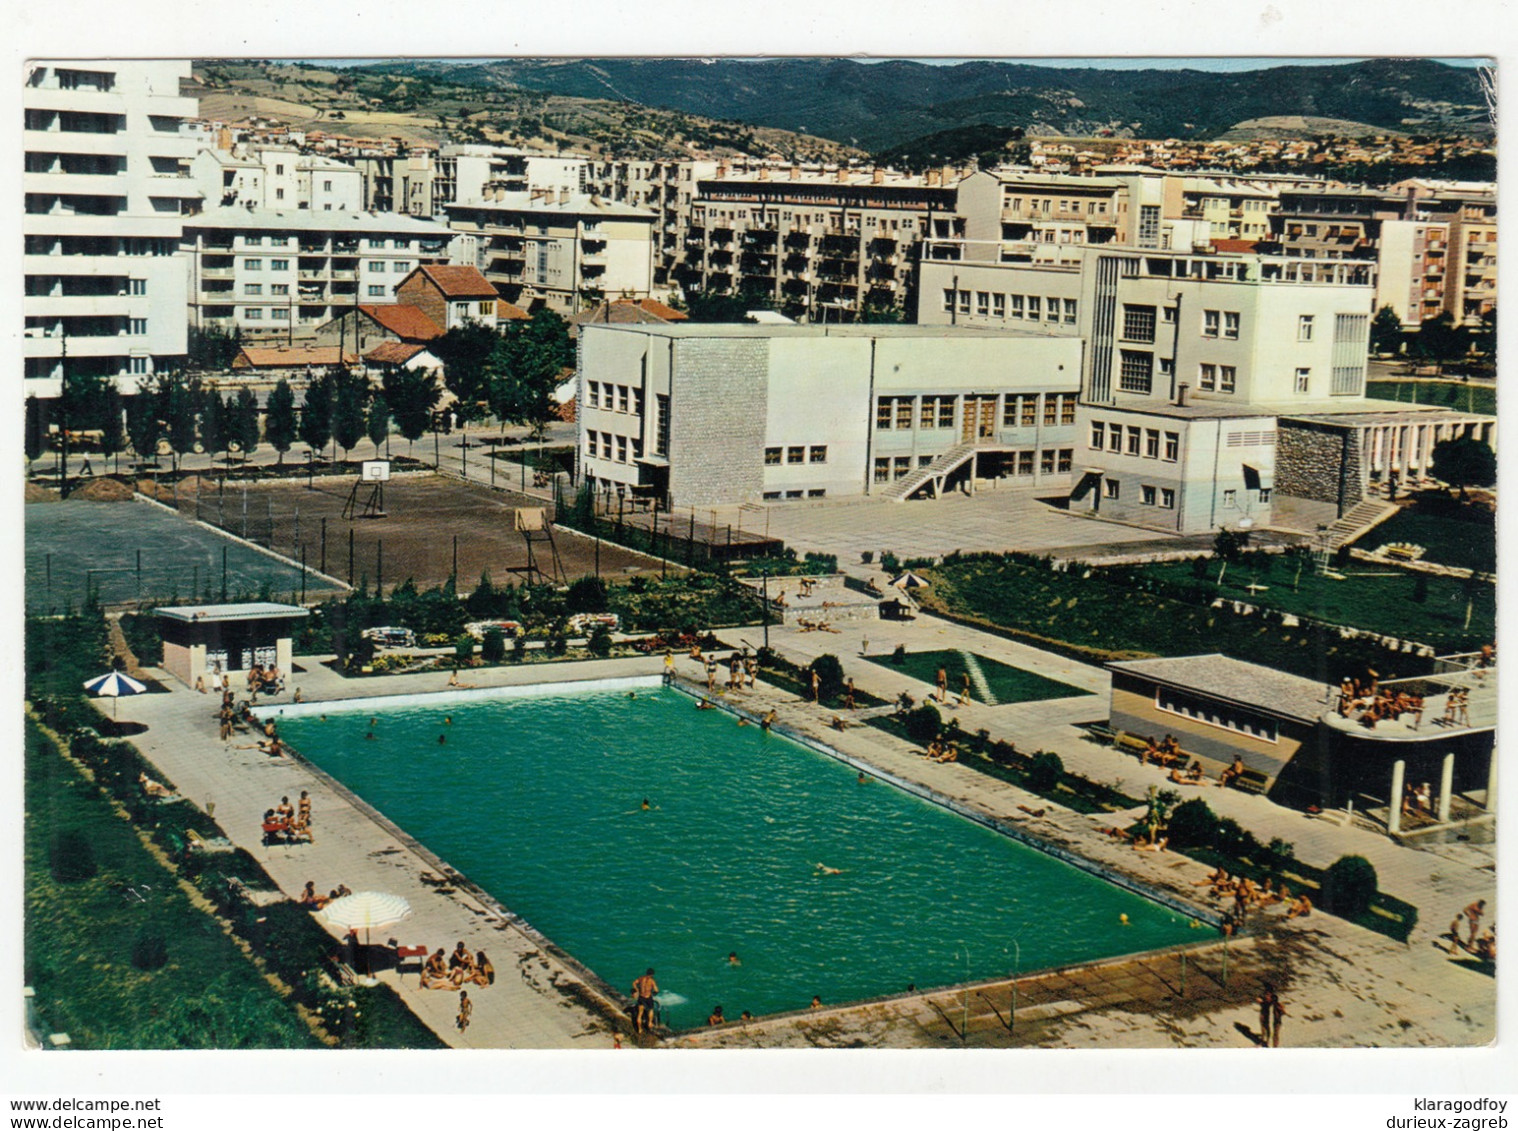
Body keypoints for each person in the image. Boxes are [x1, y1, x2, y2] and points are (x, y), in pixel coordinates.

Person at [631, 968, 658, 1034]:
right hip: (648, 997)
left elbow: (634, 983)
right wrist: (654, 993)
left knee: (640, 1014)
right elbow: (656, 990)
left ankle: (639, 1029)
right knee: (651, 1010)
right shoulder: (652, 981)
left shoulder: (641, 978)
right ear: (652, 974)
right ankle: (649, 1023)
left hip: (641, 997)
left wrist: (637, 990)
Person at [1257, 983, 1283, 1047]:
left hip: (1275, 1020)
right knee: (1265, 1031)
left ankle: (1274, 1046)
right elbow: (1258, 1000)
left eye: (1268, 995)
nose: (1266, 996)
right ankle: (1265, 1043)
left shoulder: (1275, 1002)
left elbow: (1281, 1011)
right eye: (1266, 994)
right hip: (1266, 1017)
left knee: (1274, 1034)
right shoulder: (1264, 1000)